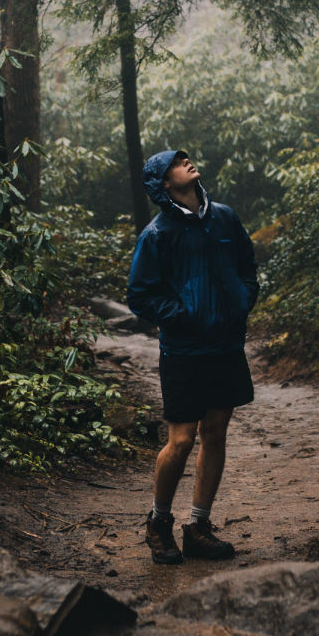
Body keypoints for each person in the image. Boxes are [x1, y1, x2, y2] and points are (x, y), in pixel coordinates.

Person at [126, 149, 259, 564]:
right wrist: (183, 316)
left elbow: (246, 267)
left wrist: (241, 301)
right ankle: (158, 522)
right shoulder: (157, 234)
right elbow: (139, 295)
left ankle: (198, 527)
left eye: (187, 159)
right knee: (181, 440)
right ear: (165, 183)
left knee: (215, 430)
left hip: (225, 346)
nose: (188, 163)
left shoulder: (224, 217)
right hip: (184, 350)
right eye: (177, 163)